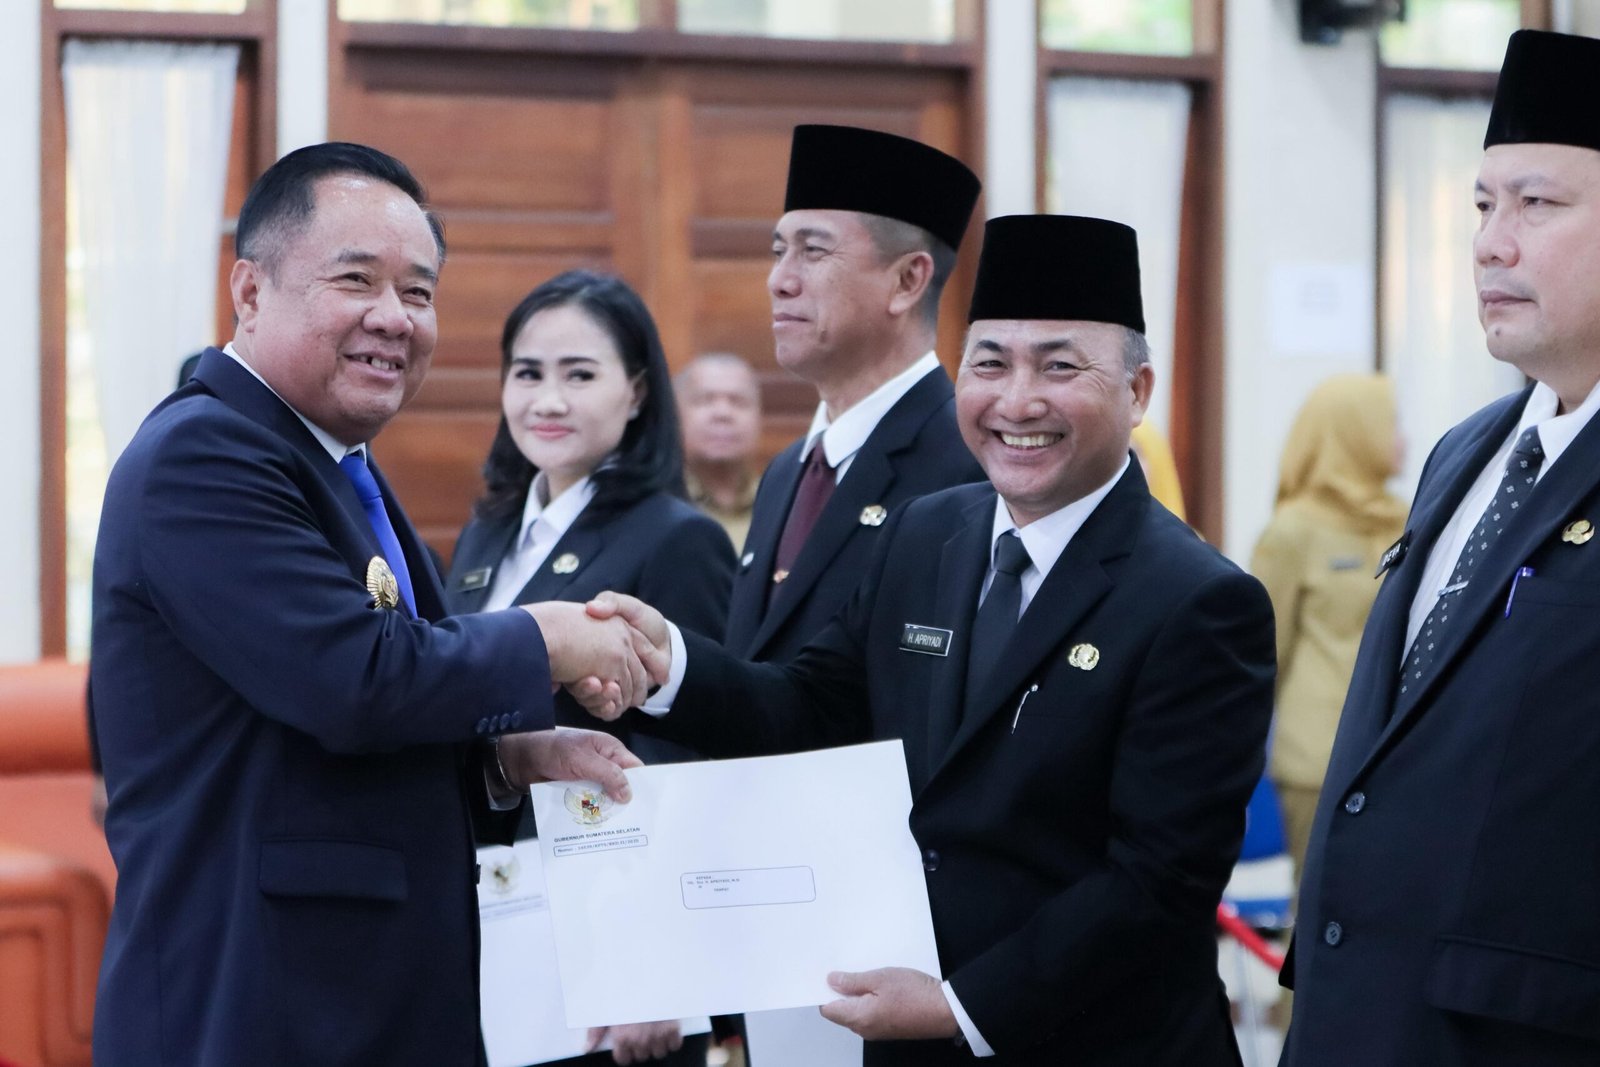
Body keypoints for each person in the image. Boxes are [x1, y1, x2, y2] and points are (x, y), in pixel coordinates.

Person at [581, 214, 1276, 1065]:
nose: (1017, 402)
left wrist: (960, 1006)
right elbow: (814, 705)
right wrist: (673, 666)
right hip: (908, 1039)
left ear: (1136, 393)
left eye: (1059, 366)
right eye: (989, 363)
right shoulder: (925, 533)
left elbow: (1156, 881)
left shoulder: (1200, 601)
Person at [90, 142, 661, 1067]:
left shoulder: (335, 463)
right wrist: (546, 636)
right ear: (250, 291)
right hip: (255, 1007)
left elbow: (338, 734)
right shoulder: (204, 456)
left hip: (362, 1003)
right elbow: (353, 678)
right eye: (357, 280)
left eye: (419, 292)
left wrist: (508, 761)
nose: (394, 317)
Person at [1282, 31, 1600, 1066]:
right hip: (1358, 1015)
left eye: (1536, 204)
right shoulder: (1466, 451)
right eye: (1481, 205)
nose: (1490, 244)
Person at [447, 269, 733, 1067]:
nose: (548, 400)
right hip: (491, 926)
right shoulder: (487, 532)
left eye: (579, 375)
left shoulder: (677, 537)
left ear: (636, 391)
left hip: (606, 953)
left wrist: (655, 960)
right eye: (527, 373)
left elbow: (691, 759)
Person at [726, 124, 986, 667]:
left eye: (813, 251)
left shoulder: (971, 464)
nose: (779, 280)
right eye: (778, 251)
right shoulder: (786, 471)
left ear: (908, 281)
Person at [1248, 375, 1405, 876]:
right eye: (1390, 425)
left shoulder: (1410, 520)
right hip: (1319, 760)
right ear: (1354, 433)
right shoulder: (1292, 531)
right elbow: (1262, 654)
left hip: (1399, 750)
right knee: (1323, 901)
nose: (1403, 440)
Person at [675, 351, 763, 552]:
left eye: (738, 401)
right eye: (705, 400)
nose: (723, 414)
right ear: (674, 416)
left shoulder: (784, 505)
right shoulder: (652, 507)